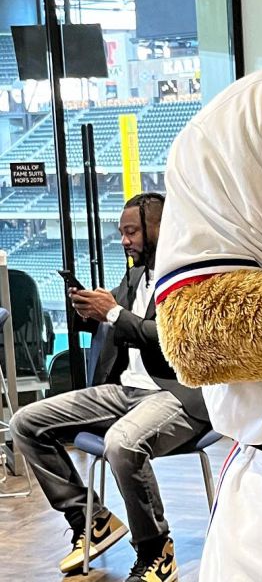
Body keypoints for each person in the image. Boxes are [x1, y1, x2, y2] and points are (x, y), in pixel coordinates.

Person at [10, 192, 209, 582]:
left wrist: (113, 312)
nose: (124, 240)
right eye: (121, 233)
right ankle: (92, 519)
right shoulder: (136, 274)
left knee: (122, 443)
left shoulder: (191, 274)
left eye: (132, 231)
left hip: (175, 395)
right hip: (123, 392)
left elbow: (170, 336)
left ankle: (155, 549)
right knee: (25, 423)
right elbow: (117, 322)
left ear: (159, 228)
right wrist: (90, 312)